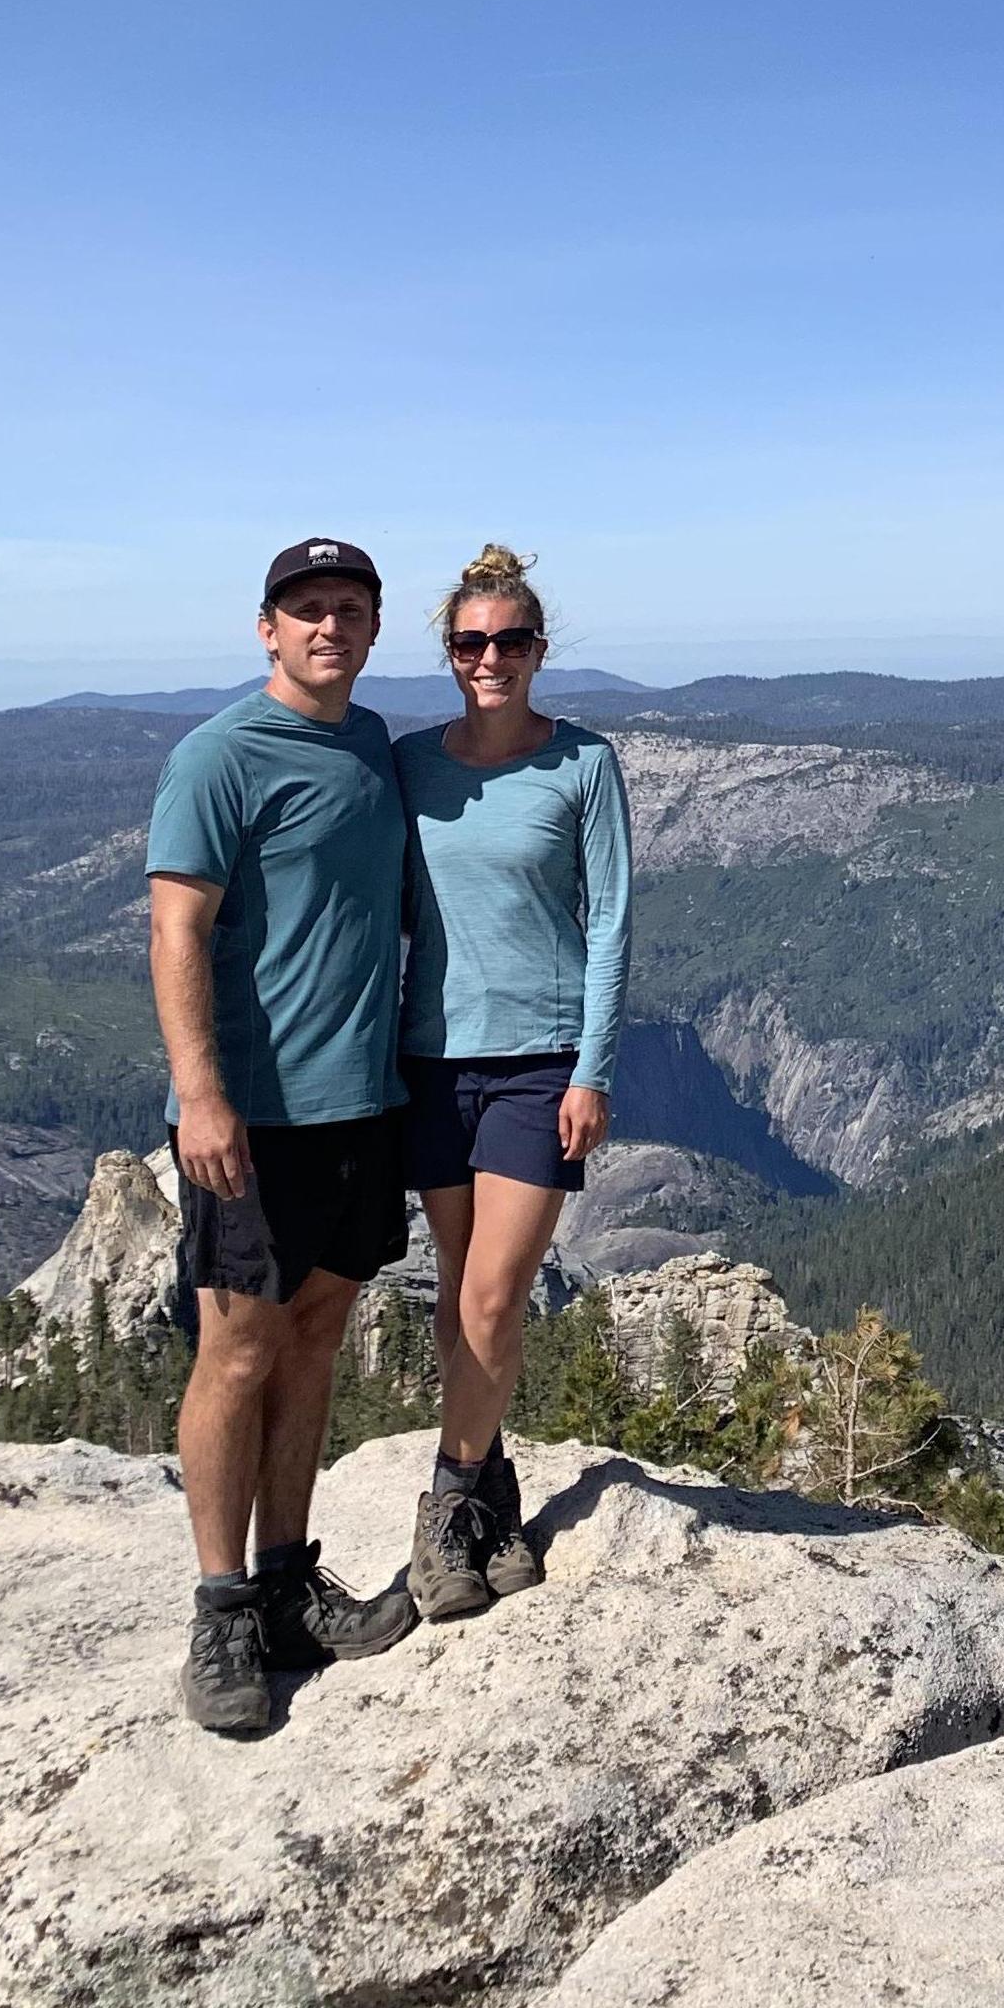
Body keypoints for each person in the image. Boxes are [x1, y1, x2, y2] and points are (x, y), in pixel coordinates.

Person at [148, 538, 419, 1735]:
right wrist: (200, 1095)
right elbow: (175, 931)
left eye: (349, 609)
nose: (328, 627)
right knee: (238, 1352)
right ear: (267, 628)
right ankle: (220, 1614)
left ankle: (287, 1580)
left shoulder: (371, 745)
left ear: (372, 628)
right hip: (253, 1118)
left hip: (361, 1103)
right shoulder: (217, 756)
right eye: (307, 609)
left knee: (315, 1337)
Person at [393, 544, 632, 1621]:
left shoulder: (583, 764)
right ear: (450, 653)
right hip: (431, 1058)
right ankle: (492, 1496)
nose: (490, 658)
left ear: (539, 651)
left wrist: (593, 1070)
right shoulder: (409, 764)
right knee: (459, 1296)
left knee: (494, 1296)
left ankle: (445, 1507)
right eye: (470, 643)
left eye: (510, 641)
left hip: (540, 1062)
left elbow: (611, 922)